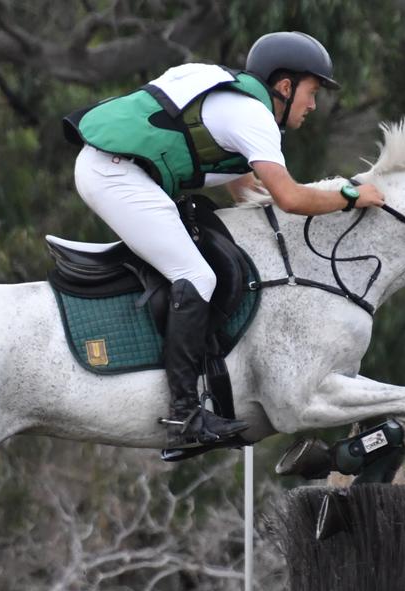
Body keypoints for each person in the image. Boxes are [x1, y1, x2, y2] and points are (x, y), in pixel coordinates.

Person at [62, 31, 385, 449]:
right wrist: (349, 195)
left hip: (114, 168)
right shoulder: (252, 117)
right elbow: (287, 198)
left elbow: (249, 196)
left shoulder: (230, 100)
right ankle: (183, 416)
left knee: (201, 263)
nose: (313, 105)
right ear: (285, 87)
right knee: (196, 274)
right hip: (114, 173)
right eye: (311, 91)